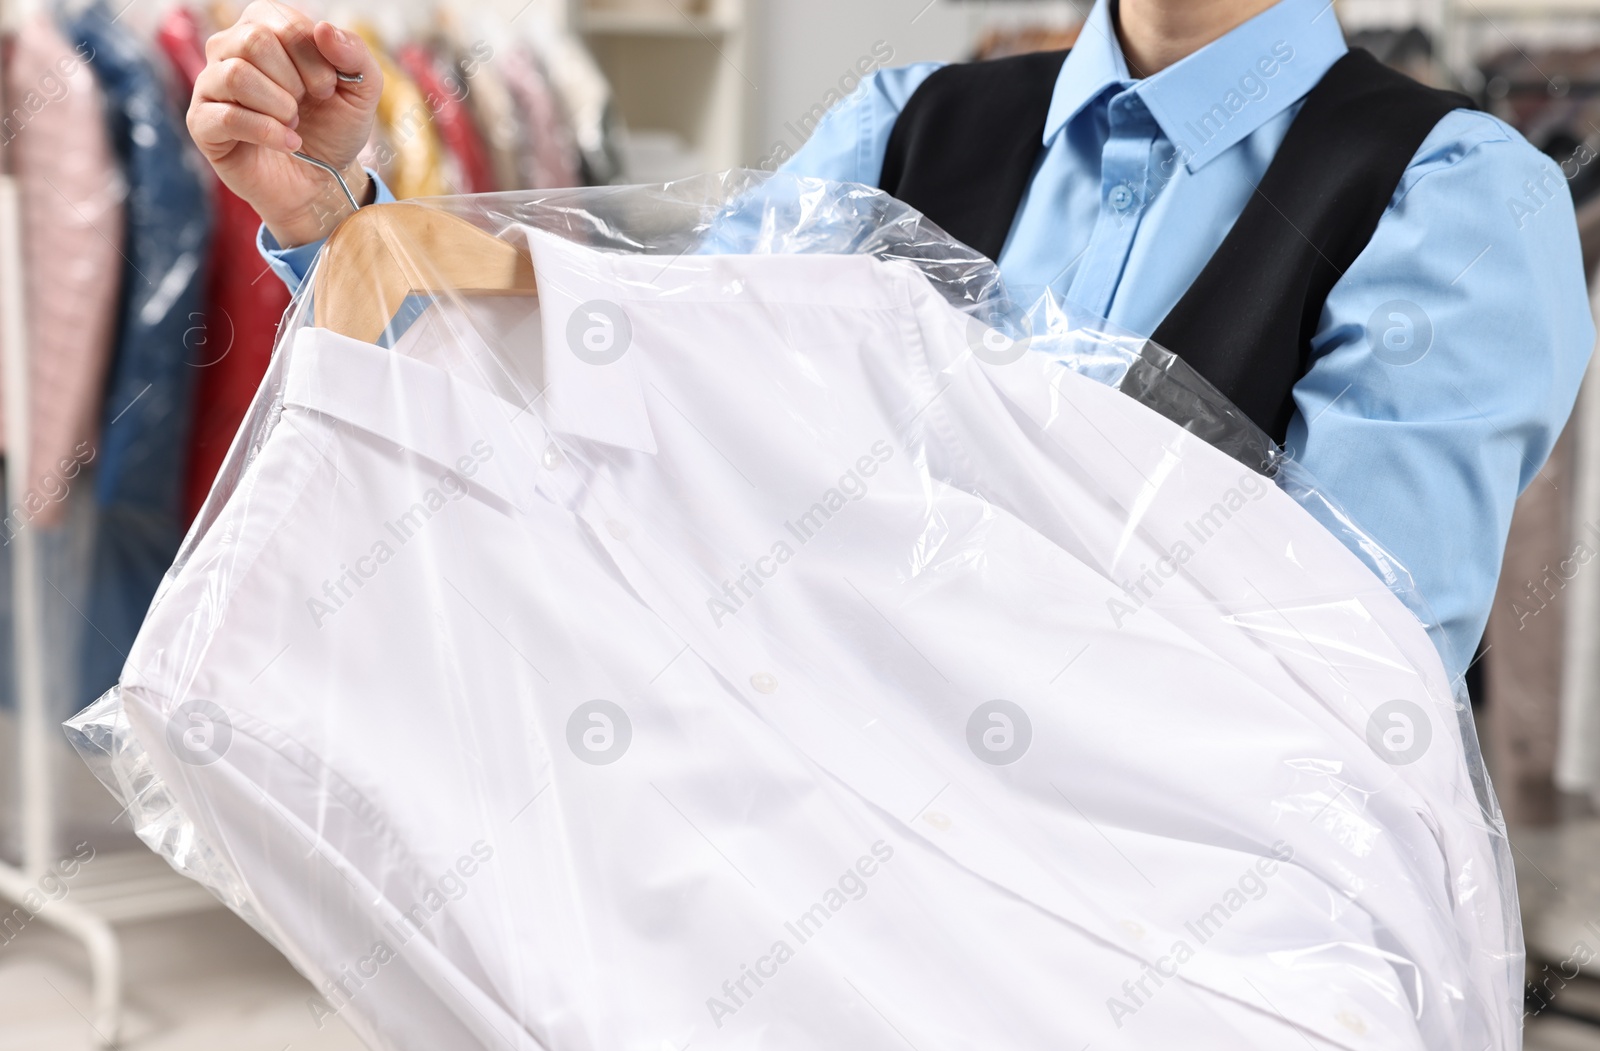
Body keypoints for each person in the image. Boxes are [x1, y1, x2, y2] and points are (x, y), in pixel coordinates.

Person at [187, 0, 1594, 680]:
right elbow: (635, 376)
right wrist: (342, 218)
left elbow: (1345, 672)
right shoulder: (906, 124)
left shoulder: (1456, 201)